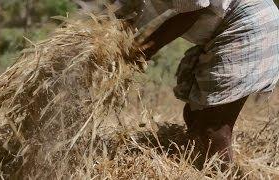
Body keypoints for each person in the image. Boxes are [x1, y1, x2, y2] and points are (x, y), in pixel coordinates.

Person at [115, 0, 279, 168]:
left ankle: (219, 173)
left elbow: (193, 9)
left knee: (212, 126)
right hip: (232, 24)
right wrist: (112, 37)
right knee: (194, 114)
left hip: (249, 24)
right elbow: (131, 9)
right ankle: (200, 165)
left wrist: (141, 51)